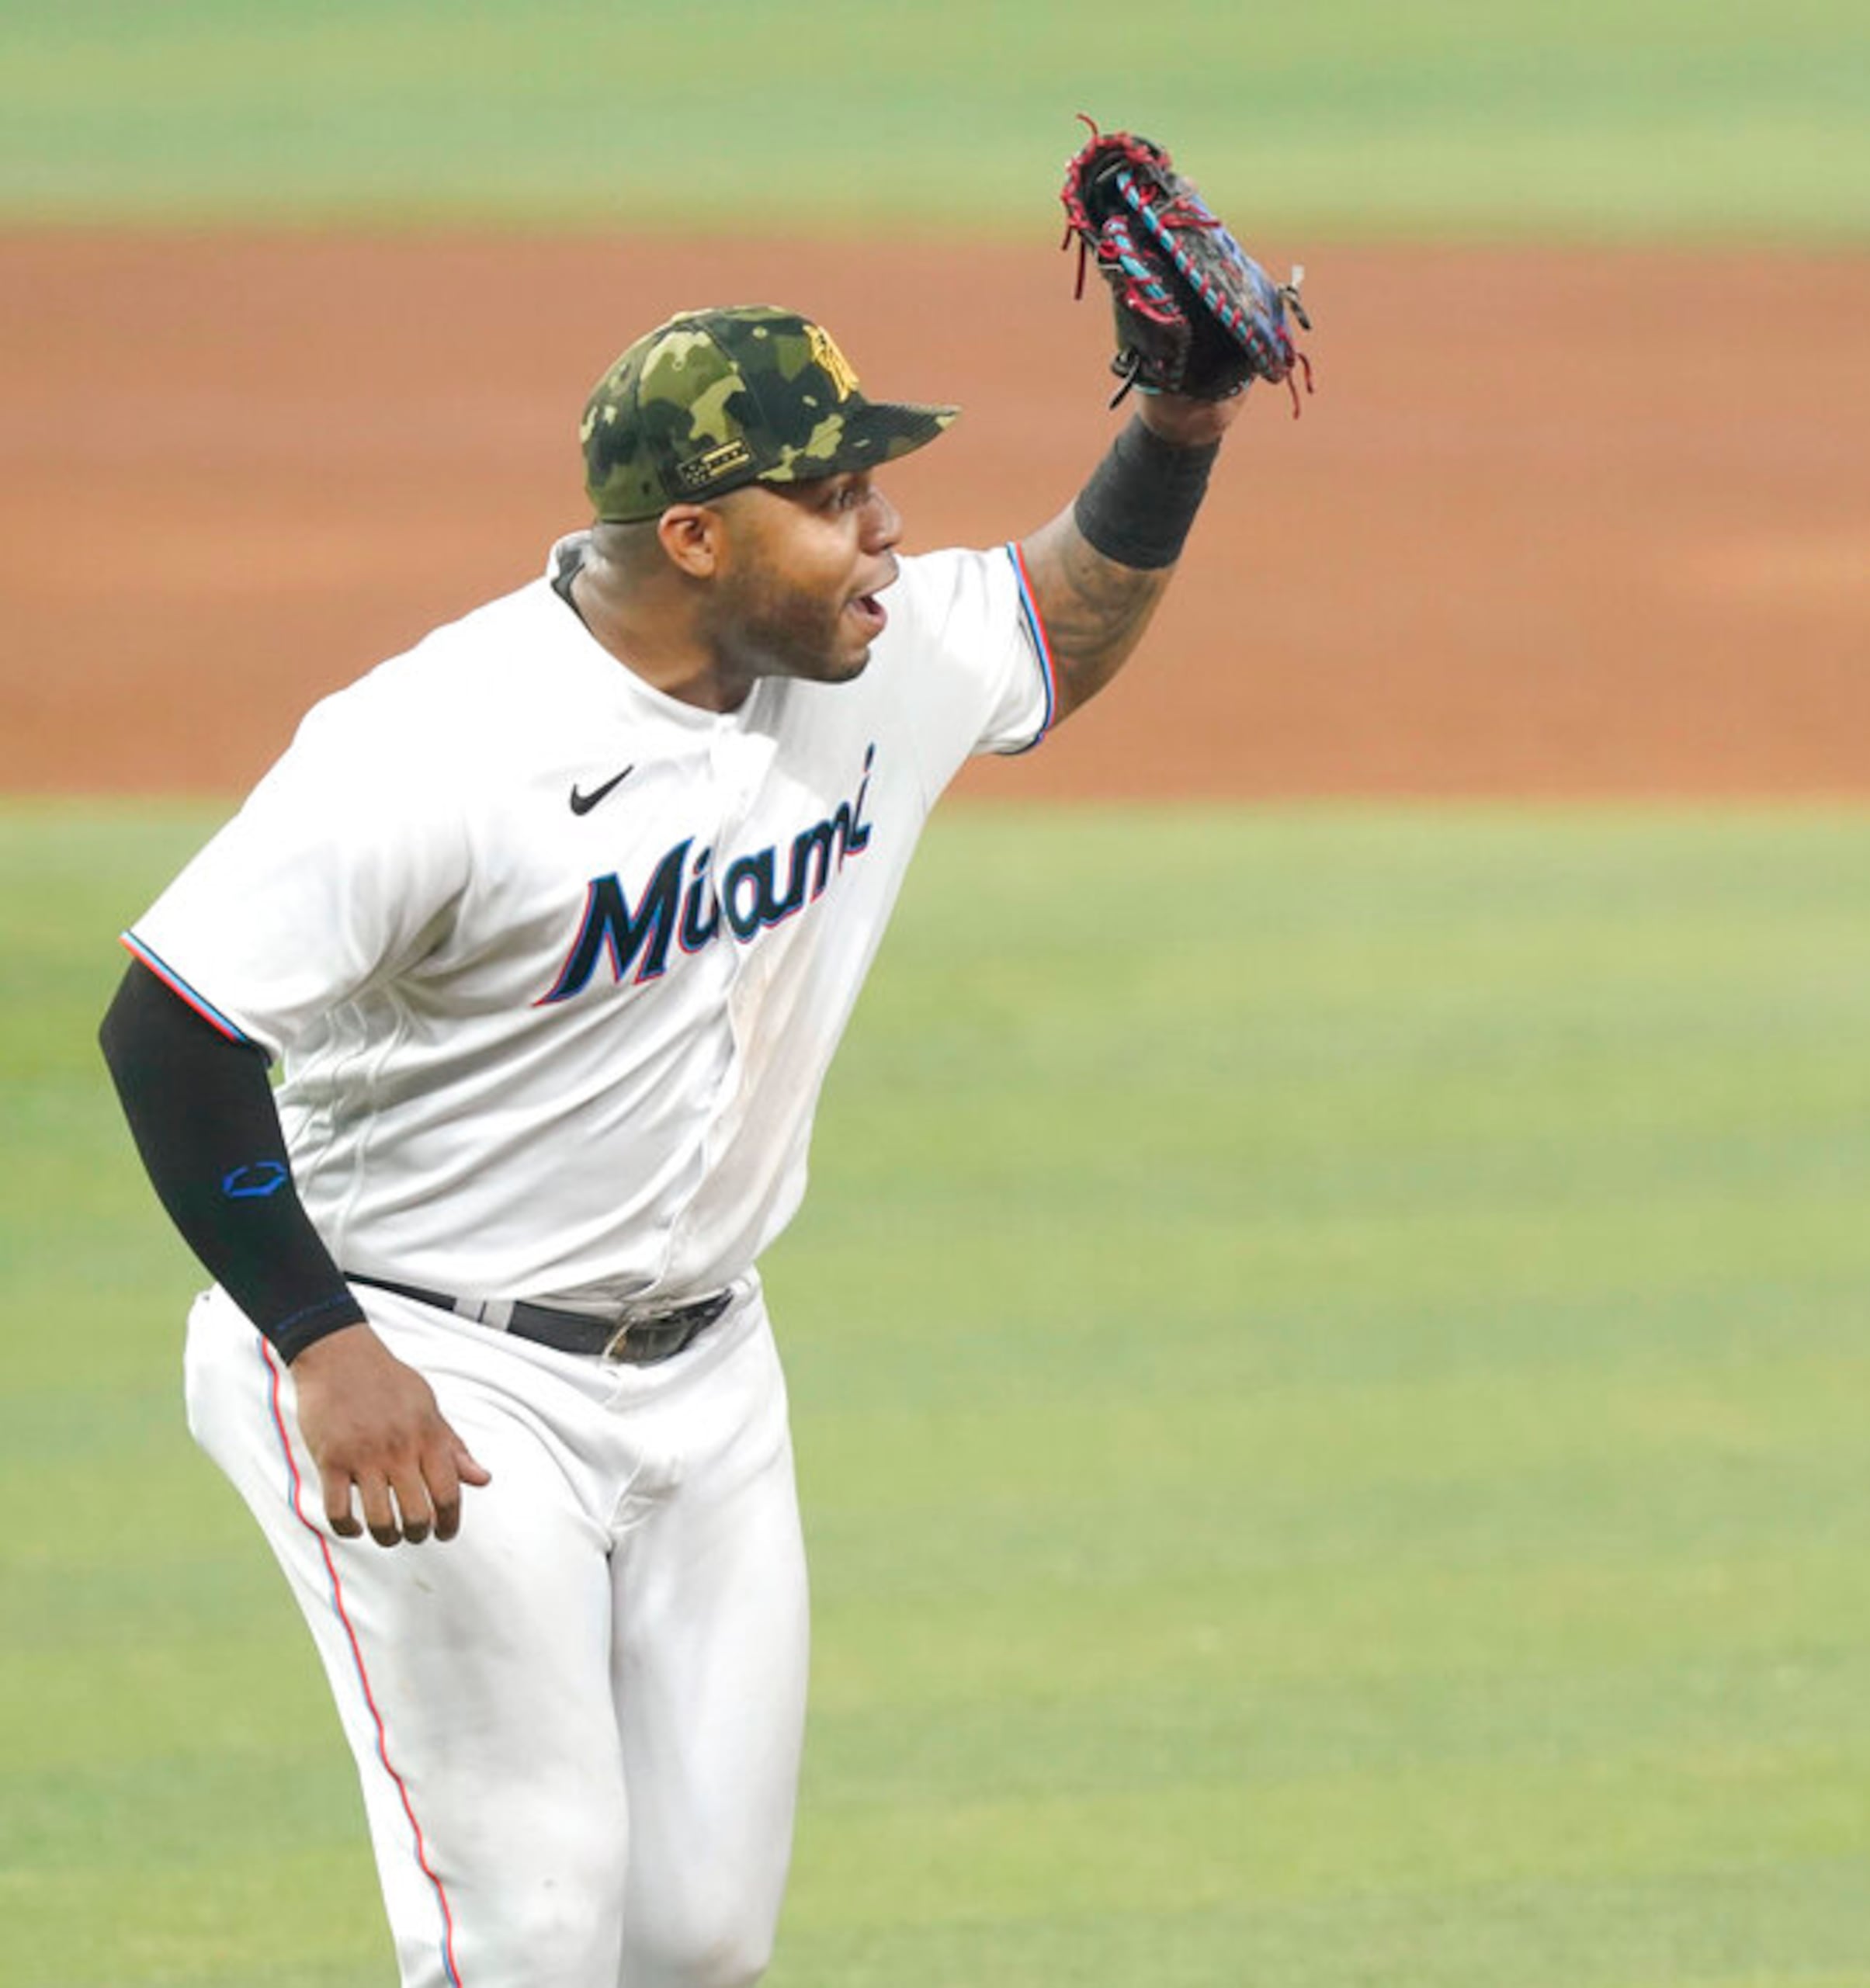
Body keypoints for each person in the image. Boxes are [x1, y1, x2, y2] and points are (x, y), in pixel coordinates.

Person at [96, 300, 1260, 1986]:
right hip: (429, 1366)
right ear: (696, 536)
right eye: (839, 497)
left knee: (699, 1941)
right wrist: (322, 1343)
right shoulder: (437, 748)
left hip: (710, 1371)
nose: (889, 531)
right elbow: (174, 1026)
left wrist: (1181, 426)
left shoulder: (874, 652)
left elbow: (1050, 628)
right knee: (535, 1933)